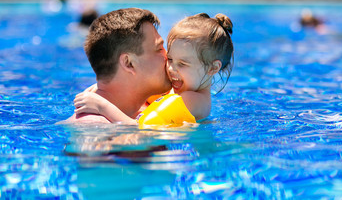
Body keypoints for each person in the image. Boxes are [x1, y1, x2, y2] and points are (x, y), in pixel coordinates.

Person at [73, 13, 234, 123]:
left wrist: (102, 106)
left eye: (183, 64)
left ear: (213, 68)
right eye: (170, 59)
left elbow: (142, 128)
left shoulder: (192, 100)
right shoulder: (186, 88)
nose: (171, 69)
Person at [66, 7, 172, 123]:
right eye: (159, 49)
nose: (169, 56)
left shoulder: (143, 106)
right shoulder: (94, 127)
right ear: (129, 63)